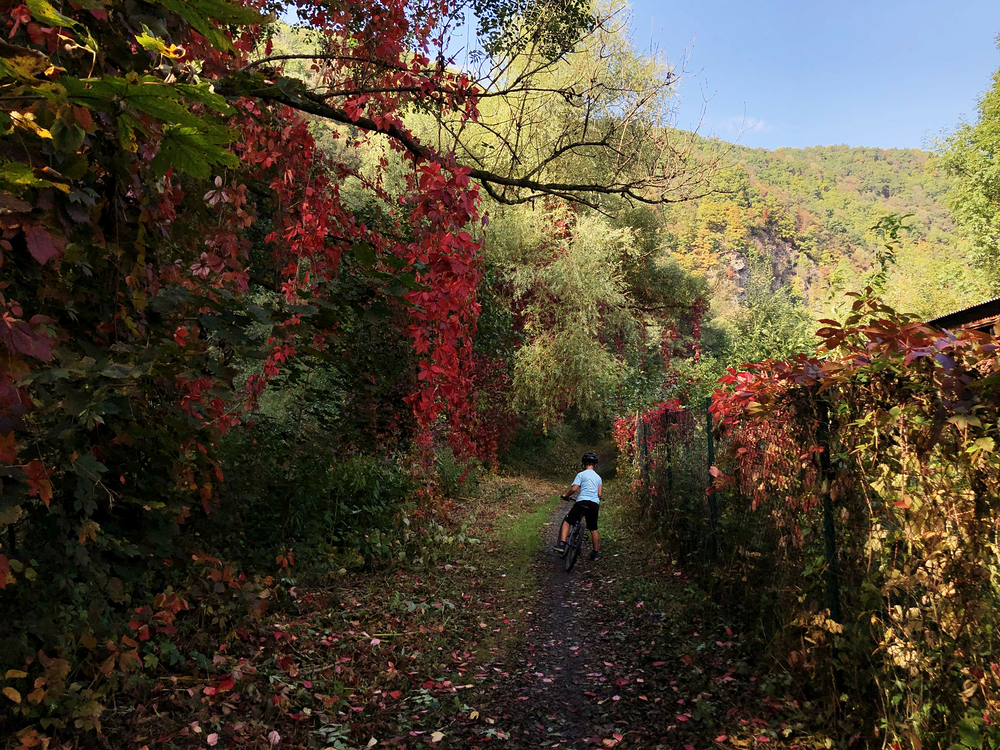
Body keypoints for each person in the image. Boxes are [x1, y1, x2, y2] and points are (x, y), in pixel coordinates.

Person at [554, 452, 602, 560]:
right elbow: (599, 494)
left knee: (567, 521)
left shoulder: (581, 474)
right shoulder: (598, 478)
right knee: (593, 528)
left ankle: (562, 544)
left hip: (582, 502)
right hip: (594, 504)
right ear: (595, 464)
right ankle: (595, 553)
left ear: (584, 463)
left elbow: (574, 489)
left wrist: (566, 496)